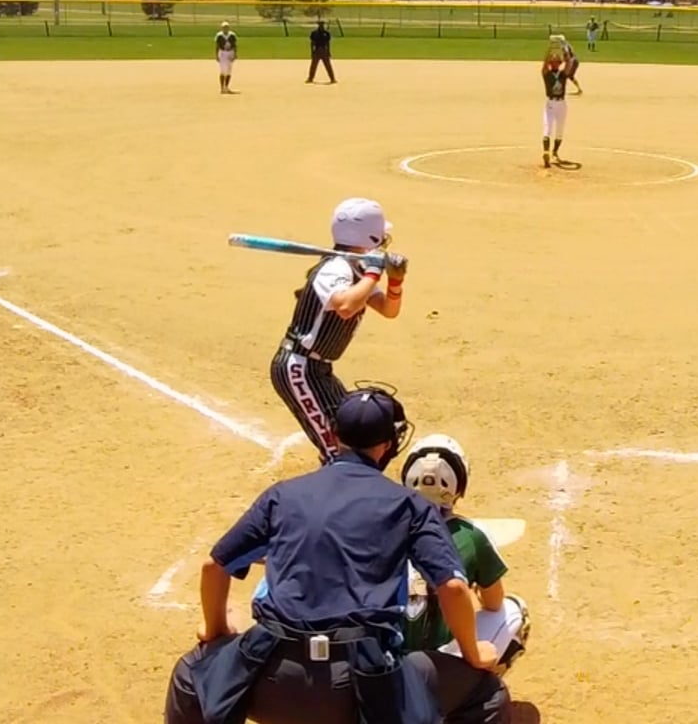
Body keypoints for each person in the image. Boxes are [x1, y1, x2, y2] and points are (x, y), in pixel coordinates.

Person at [162, 390, 504, 724]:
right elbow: (453, 588)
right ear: (388, 445)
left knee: (191, 675)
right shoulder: (410, 506)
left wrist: (216, 628)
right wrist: (473, 653)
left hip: (270, 680)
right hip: (366, 694)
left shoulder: (283, 495)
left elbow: (215, 566)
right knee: (487, 694)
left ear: (333, 435)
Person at [400, 435, 530, 718]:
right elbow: (493, 602)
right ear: (458, 487)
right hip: (436, 669)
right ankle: (465, 697)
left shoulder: (380, 527)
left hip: (379, 667)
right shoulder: (470, 535)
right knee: (515, 611)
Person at [270, 198, 406, 462]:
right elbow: (345, 306)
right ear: (371, 236)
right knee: (339, 451)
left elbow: (388, 309)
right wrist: (374, 273)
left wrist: (396, 281)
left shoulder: (357, 269)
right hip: (299, 369)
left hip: (318, 369)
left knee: (356, 437)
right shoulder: (335, 269)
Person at [541, 43, 574, 168]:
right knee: (547, 128)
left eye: (556, 62)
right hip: (550, 104)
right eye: (552, 62)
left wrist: (565, 50)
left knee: (560, 130)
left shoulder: (562, 74)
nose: (554, 63)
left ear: (559, 63)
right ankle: (546, 152)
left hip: (562, 104)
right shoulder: (547, 74)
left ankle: (555, 152)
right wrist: (549, 50)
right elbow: (544, 64)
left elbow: (569, 62)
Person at [308, 20, 337, 84]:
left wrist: (328, 51)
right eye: (320, 24)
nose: (321, 26)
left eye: (322, 24)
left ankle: (332, 78)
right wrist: (312, 52)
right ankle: (310, 78)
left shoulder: (326, 33)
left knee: (328, 65)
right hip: (317, 50)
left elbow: (328, 43)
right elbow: (312, 43)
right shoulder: (314, 33)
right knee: (313, 66)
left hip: (324, 50)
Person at [214, 21, 239, 95]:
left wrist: (235, 54)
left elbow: (234, 45)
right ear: (222, 28)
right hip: (222, 53)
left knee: (229, 71)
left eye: (227, 27)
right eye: (224, 27)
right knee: (223, 71)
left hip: (230, 52)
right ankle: (222, 87)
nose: (225, 28)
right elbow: (217, 46)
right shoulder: (219, 35)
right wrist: (216, 55)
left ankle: (227, 87)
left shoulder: (232, 35)